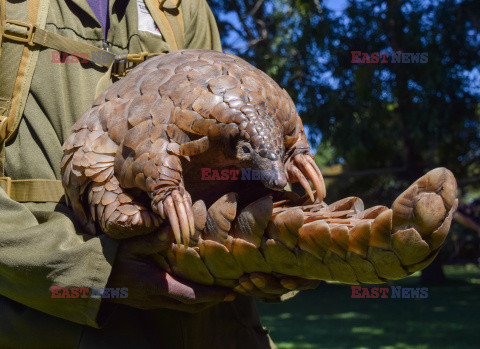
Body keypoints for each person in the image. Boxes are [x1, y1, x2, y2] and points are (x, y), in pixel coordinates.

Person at [0, 0, 316, 347]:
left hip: (213, 331)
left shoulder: (181, 8)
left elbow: (232, 140)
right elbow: (151, 141)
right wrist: (91, 270)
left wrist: (265, 250)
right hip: (51, 330)